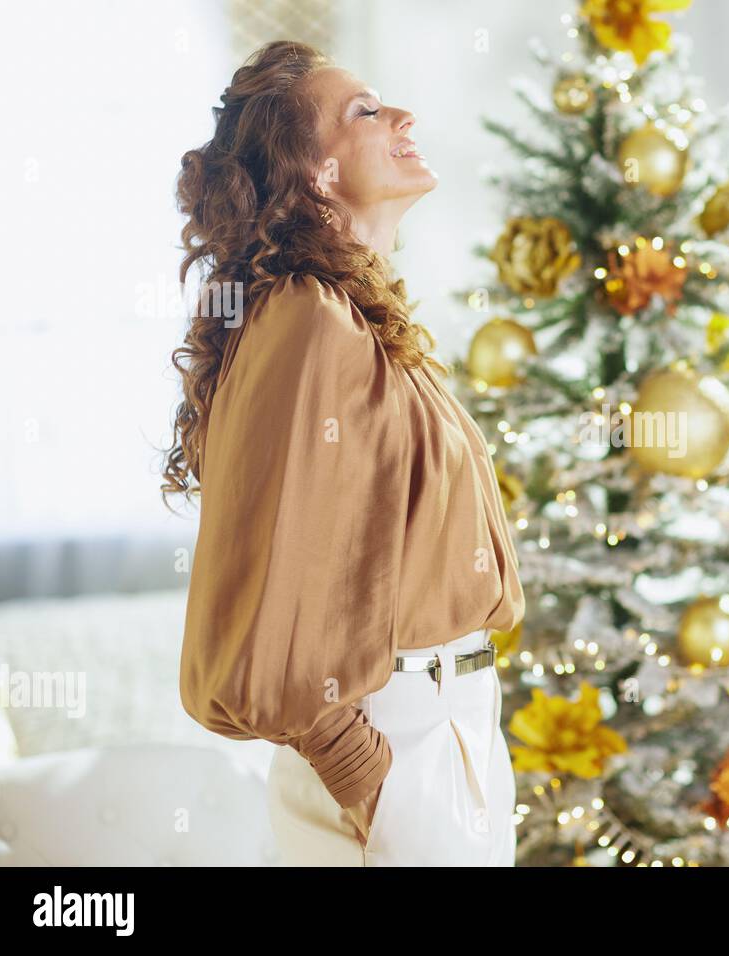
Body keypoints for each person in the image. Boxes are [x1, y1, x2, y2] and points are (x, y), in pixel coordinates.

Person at [162, 40, 525, 866]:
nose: (403, 117)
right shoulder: (309, 319)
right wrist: (367, 774)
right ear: (317, 174)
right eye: (366, 111)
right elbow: (268, 595)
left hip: (445, 727)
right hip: (400, 738)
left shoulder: (351, 316)